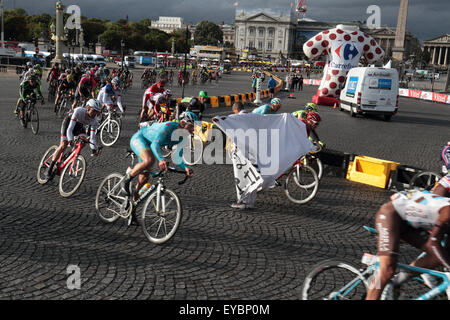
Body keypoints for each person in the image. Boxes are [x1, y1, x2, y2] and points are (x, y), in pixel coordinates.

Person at [365, 144, 450, 300]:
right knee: (387, 269)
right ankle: (374, 291)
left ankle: (398, 282)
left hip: (410, 221)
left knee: (435, 258)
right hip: (391, 215)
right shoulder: (448, 211)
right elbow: (433, 243)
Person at [121, 111, 197, 204]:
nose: (192, 130)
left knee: (144, 178)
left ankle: (131, 206)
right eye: (191, 126)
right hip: (139, 139)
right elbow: (154, 145)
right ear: (182, 123)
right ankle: (126, 180)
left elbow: (177, 156)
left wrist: (185, 168)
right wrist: (161, 160)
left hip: (147, 145)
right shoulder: (169, 127)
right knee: (149, 160)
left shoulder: (182, 137)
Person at [45, 99, 102, 179]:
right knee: (64, 144)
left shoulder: (95, 120)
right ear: (88, 108)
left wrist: (94, 149)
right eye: (94, 111)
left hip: (79, 127)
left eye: (98, 112)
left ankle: (68, 156)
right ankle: (49, 169)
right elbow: (69, 129)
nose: (96, 114)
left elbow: (92, 138)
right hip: (69, 123)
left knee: (83, 142)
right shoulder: (79, 111)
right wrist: (71, 140)